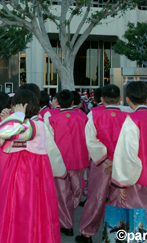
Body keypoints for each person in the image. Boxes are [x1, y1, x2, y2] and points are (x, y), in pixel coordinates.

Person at [0, 89, 60, 243]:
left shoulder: (35, 124)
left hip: (27, 174)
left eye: (14, 106)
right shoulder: (27, 123)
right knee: (17, 210)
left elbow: (6, 133)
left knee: (25, 210)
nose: (12, 109)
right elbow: (5, 142)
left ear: (23, 106)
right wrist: (12, 118)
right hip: (20, 171)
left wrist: (16, 117)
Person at [109, 81, 147, 236]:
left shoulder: (132, 119)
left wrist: (122, 183)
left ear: (127, 98)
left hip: (137, 179)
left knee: (132, 222)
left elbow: (127, 154)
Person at [76, 84, 128, 243]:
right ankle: (116, 236)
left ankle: (87, 233)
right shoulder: (129, 115)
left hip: (102, 164)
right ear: (120, 98)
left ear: (102, 99)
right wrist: (118, 159)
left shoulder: (94, 114)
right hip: (123, 162)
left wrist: (106, 159)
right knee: (120, 199)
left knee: (96, 198)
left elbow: (91, 141)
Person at [47, 90, 89, 237]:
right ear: (73, 103)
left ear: (57, 101)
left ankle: (66, 222)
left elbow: (49, 144)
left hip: (60, 162)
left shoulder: (53, 119)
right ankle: (69, 216)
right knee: (76, 191)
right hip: (79, 160)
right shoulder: (83, 116)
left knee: (63, 193)